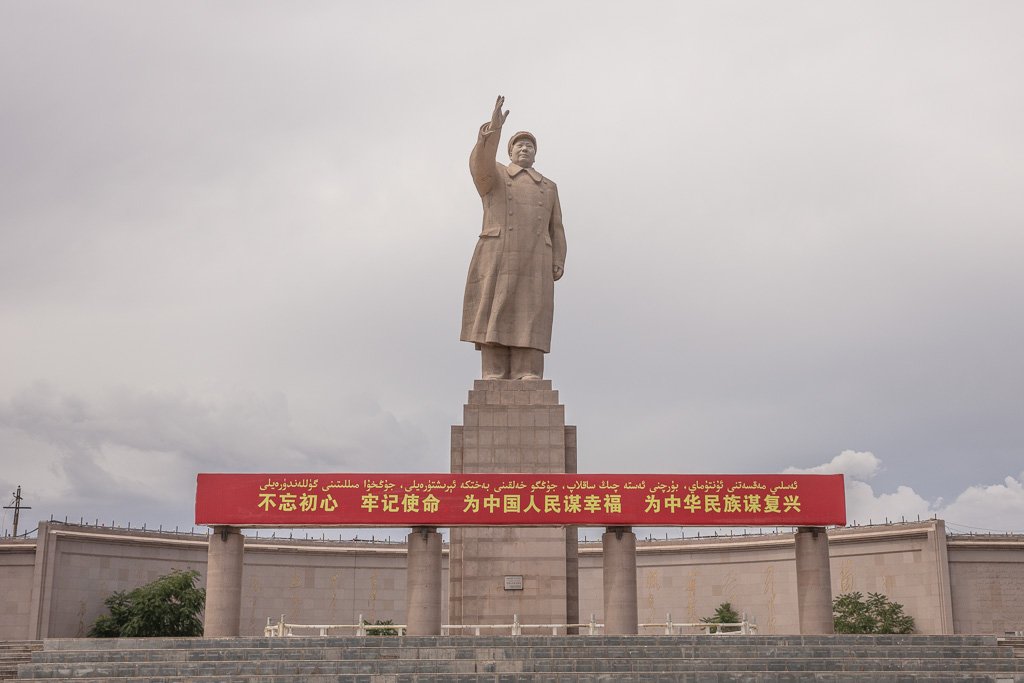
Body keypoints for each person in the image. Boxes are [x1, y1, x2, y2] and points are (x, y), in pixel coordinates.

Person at [460, 96, 567, 380]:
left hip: (535, 257)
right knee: (495, 307)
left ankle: (527, 369)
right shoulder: (495, 175)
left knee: (531, 311)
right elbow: (480, 163)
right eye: (519, 144)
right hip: (499, 252)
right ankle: (493, 369)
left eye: (529, 145)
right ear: (509, 151)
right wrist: (493, 130)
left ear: (535, 154)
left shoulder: (549, 187)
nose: (524, 148)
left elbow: (556, 227)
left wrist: (558, 258)